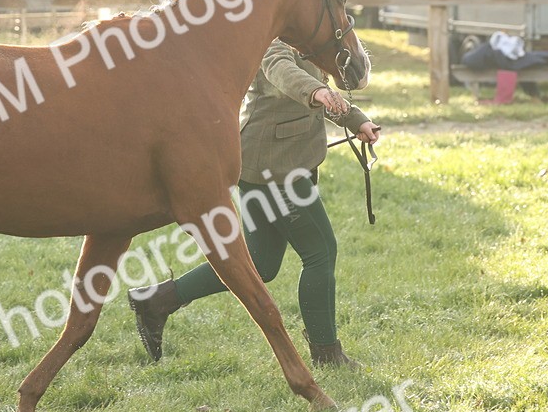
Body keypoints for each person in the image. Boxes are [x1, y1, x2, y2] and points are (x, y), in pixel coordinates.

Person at [128, 39, 382, 367]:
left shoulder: (302, 33)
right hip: (273, 167)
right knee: (321, 252)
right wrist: (318, 92)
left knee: (261, 263)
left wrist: (356, 120)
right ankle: (327, 353)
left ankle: (157, 300)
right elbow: (280, 71)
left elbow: (320, 87)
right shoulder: (272, 39)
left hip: (269, 163)